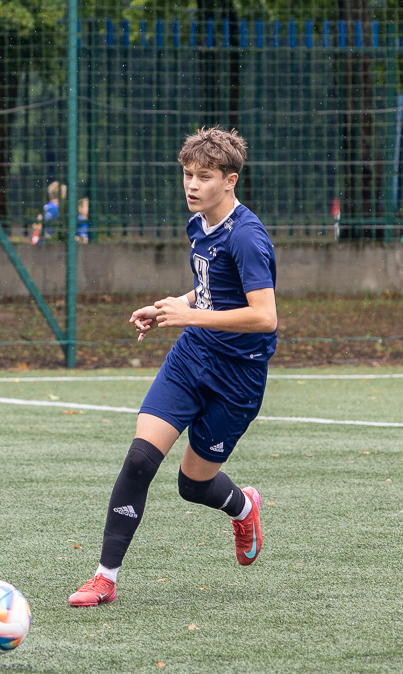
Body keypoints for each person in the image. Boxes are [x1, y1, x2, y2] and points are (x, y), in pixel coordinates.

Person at [68, 126, 273, 608]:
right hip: (192, 357)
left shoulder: (247, 237)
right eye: (187, 175)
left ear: (231, 180)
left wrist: (189, 315)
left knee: (192, 484)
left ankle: (243, 506)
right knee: (140, 459)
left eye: (204, 177)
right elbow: (211, 288)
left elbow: (264, 316)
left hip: (238, 377)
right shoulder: (198, 223)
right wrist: (171, 309)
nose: (192, 185)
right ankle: (104, 578)